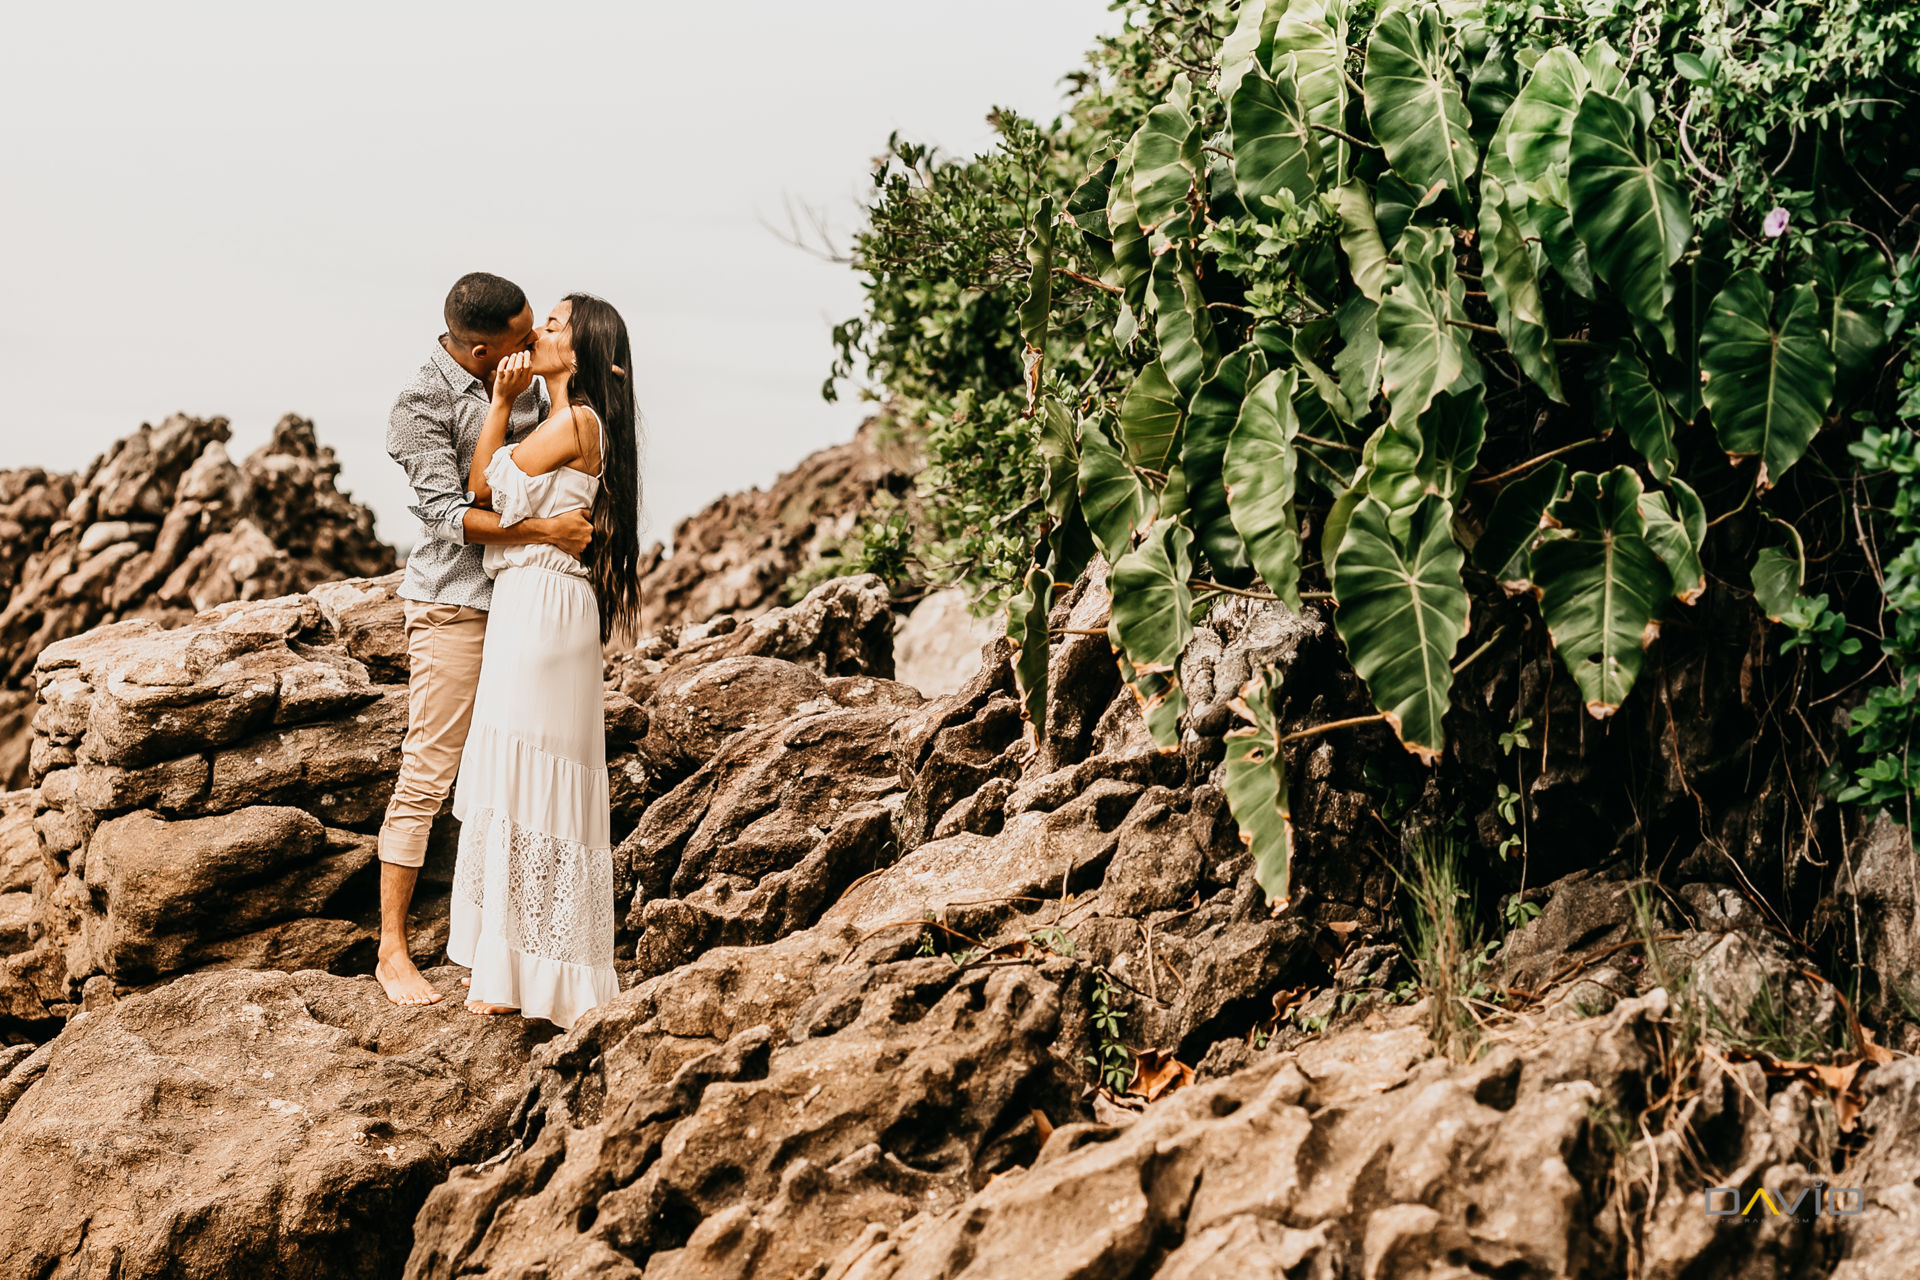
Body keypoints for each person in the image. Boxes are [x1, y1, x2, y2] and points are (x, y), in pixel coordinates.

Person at [375, 273, 594, 1007]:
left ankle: (500, 944)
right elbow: (448, 510)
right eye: (520, 335)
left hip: (525, 606)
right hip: (457, 604)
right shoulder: (419, 405)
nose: (533, 343)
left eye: (539, 329)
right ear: (478, 349)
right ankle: (392, 949)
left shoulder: (528, 381)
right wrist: (543, 532)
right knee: (430, 770)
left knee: (507, 776)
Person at [447, 292, 641, 1026]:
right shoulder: (565, 423)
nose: (539, 331)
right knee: (519, 775)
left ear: (583, 352)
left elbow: (481, 486)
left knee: (530, 775)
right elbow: (494, 499)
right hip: (530, 603)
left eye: (554, 325)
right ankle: (513, 964)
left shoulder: (577, 421)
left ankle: (525, 972)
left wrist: (500, 399)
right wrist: (534, 532)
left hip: (543, 611)